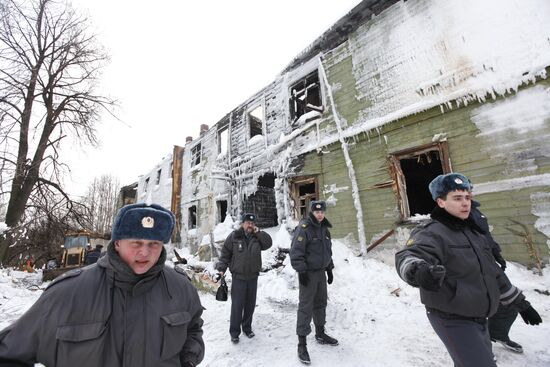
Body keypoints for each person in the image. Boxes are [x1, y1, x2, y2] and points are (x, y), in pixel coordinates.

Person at [0, 203, 205, 367]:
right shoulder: (68, 292)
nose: (145, 252)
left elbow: (193, 330)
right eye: (136, 243)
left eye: (154, 244)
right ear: (116, 243)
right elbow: (9, 352)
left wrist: (189, 358)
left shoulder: (180, 288)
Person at [395, 173, 542, 367]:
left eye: (467, 197)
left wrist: (520, 303)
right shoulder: (430, 231)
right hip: (452, 318)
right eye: (457, 198)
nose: (465, 203)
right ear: (440, 202)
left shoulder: (474, 233)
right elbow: (408, 256)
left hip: (480, 315)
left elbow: (493, 273)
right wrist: (419, 271)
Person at [470, 200, 523, 353]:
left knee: (508, 302)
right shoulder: (455, 214)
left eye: (468, 189)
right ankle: (479, 349)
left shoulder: (474, 210)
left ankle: (498, 334)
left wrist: (496, 253)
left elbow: (486, 236)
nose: (467, 194)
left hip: (489, 263)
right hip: (474, 267)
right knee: (476, 308)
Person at [290, 200, 338, 365]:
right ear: (311, 212)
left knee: (320, 303)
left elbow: (327, 251)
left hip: (320, 274)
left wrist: (329, 268)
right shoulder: (304, 229)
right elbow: (296, 251)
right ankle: (302, 344)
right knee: (305, 307)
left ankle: (320, 333)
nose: (319, 214)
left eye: (322, 212)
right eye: (317, 212)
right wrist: (301, 271)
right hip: (308, 274)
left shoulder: (324, 228)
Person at [216, 212, 272, 344]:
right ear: (243, 223)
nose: (250, 225)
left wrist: (258, 232)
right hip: (239, 278)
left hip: (253, 277)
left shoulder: (257, 237)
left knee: (250, 305)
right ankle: (234, 332)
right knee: (237, 306)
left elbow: (268, 243)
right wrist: (221, 270)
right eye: (248, 223)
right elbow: (225, 254)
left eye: (252, 223)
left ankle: (247, 328)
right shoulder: (234, 236)